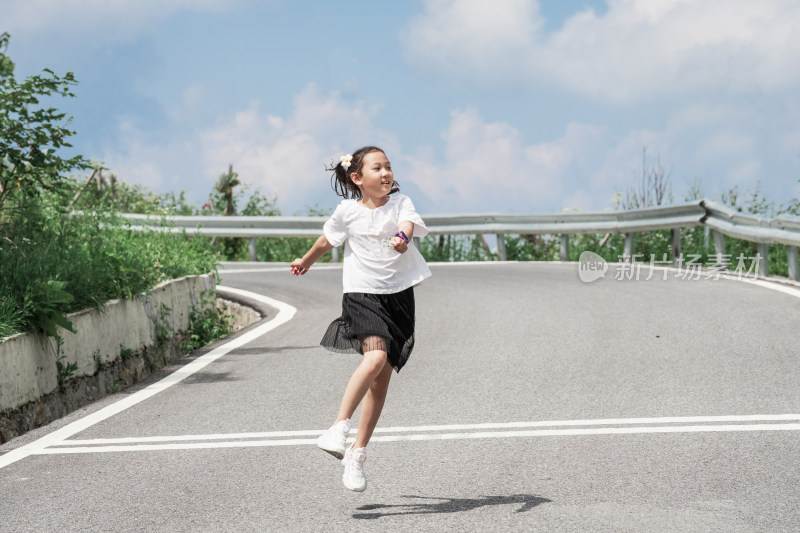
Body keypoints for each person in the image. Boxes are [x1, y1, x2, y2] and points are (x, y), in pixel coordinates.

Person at [290, 146, 431, 492]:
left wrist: (402, 237)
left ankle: (357, 455)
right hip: (361, 295)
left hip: (398, 298)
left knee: (381, 383)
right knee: (376, 356)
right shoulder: (347, 212)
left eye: (389, 167)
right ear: (357, 178)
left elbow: (407, 225)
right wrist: (307, 260)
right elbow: (327, 240)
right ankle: (338, 428)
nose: (386, 173)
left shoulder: (401, 203)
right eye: (377, 168)